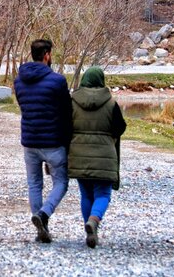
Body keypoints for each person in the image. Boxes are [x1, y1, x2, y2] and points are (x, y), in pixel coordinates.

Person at [14, 39, 72, 243]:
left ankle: (41, 227)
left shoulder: (18, 80)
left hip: (29, 140)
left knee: (34, 184)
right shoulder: (57, 81)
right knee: (61, 182)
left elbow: (23, 106)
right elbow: (67, 112)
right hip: (53, 141)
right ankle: (44, 214)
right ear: (47, 55)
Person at [68, 66, 126, 249]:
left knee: (86, 194)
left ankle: (90, 229)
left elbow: (65, 127)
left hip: (79, 155)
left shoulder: (73, 101)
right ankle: (94, 220)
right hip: (104, 157)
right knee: (103, 194)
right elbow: (120, 128)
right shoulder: (111, 103)